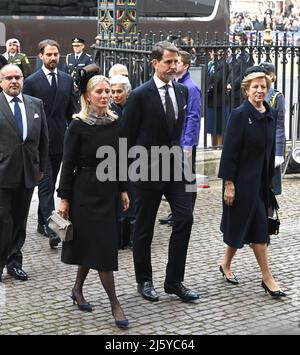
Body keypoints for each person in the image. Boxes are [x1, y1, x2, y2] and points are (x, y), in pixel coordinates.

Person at [122, 41, 199, 303]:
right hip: (147, 169)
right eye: (168, 62)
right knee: (144, 228)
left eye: (176, 62)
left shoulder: (181, 91)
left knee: (185, 218)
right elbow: (126, 137)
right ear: (155, 63)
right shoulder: (140, 95)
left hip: (176, 166)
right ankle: (144, 280)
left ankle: (174, 281)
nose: (174, 66)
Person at [57, 71, 129, 328]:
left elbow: (121, 159)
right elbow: (68, 164)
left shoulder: (114, 122)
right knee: (99, 248)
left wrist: (123, 189)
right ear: (87, 96)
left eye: (108, 92)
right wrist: (64, 198)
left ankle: (77, 290)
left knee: (98, 245)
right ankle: (114, 304)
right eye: (99, 92)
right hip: (84, 193)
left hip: (108, 192)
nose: (105, 96)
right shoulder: (77, 125)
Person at [218, 70, 286, 298]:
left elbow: (269, 149)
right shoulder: (239, 115)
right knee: (258, 229)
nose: (259, 91)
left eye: (263, 87)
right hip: (241, 183)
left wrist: (271, 180)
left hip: (261, 182)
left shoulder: (270, 113)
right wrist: (229, 184)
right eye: (255, 87)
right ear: (246, 90)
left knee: (241, 226)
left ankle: (225, 264)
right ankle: (268, 278)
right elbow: (229, 152)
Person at [23, 39, 77, 248]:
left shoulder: (65, 80)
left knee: (53, 183)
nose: (53, 58)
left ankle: (40, 222)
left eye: (56, 54)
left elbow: (71, 113)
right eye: (49, 55)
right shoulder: (32, 82)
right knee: (45, 186)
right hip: (39, 142)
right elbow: (28, 114)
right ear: (41, 56)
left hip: (60, 141)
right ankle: (52, 227)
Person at [0, 64, 48, 282]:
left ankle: (14, 262)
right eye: (8, 78)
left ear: (23, 80)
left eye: (17, 77)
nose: (13, 81)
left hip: (28, 172)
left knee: (20, 220)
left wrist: (41, 168)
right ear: (1, 82)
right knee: (4, 220)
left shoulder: (35, 104)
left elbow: (43, 140)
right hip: (3, 173)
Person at [159, 50, 201, 226]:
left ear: (186, 66)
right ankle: (175, 211)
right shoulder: (176, 83)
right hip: (177, 140)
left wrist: (188, 144)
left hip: (186, 141)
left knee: (188, 178)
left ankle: (185, 211)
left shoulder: (191, 87)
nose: (174, 66)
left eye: (178, 62)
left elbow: (193, 116)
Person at [110, 75, 134, 248]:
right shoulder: (109, 109)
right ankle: (117, 238)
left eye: (119, 91)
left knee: (132, 197)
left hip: (133, 158)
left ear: (127, 92)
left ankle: (132, 237)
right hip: (114, 158)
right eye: (113, 92)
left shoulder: (134, 107)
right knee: (118, 198)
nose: (115, 95)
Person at [259, 62, 285, 196]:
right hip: (257, 145)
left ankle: (269, 217)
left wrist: (279, 152)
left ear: (273, 76)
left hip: (271, 146)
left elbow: (280, 125)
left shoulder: (276, 97)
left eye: (267, 74)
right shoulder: (254, 93)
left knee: (271, 191)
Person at [207, 48, 229, 147]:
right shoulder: (209, 64)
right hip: (210, 100)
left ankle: (219, 148)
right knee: (212, 128)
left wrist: (207, 88)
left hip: (220, 101)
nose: (210, 54)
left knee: (219, 128)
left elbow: (218, 81)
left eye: (212, 52)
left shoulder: (223, 65)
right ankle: (213, 147)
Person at [227, 32, 254, 108]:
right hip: (229, 93)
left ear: (243, 42)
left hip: (239, 94)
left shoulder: (246, 57)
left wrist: (232, 85)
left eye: (236, 41)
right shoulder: (232, 56)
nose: (234, 43)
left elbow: (244, 75)